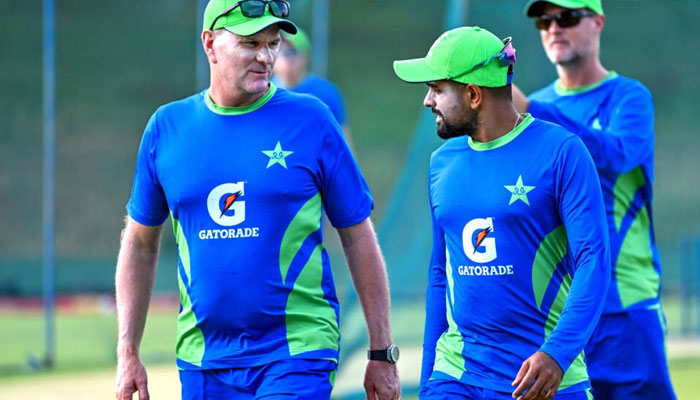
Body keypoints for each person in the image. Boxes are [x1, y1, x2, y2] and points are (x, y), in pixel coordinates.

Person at [114, 1, 400, 399]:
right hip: (203, 360)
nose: (266, 57)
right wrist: (127, 351)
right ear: (210, 44)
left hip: (297, 352)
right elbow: (140, 244)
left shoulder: (313, 119)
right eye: (250, 43)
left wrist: (381, 351)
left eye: (273, 43)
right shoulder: (167, 128)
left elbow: (358, 235)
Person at [393, 26, 610, 399]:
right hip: (456, 376)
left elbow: (594, 259)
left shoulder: (562, 152)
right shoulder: (440, 163)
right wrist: (430, 378)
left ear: (473, 94)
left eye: (437, 89)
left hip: (542, 380)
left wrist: (557, 355)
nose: (428, 101)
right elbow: (438, 274)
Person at [515, 1, 677, 398]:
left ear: (598, 23)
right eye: (544, 21)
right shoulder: (534, 107)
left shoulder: (628, 97)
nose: (554, 28)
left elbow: (615, 154)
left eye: (567, 18)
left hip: (623, 305)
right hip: (557, 313)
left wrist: (534, 111)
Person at [271, 28, 353, 146]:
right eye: (279, 50)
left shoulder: (325, 92)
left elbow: (343, 142)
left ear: (305, 56)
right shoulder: (259, 91)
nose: (286, 58)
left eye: (292, 51)